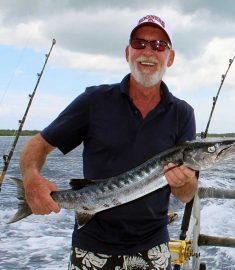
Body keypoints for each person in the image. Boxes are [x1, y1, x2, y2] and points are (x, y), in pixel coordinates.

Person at [19, 15, 197, 269]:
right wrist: (31, 178)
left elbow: (186, 195)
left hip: (152, 248)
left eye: (158, 45)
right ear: (128, 52)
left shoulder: (182, 113)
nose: (148, 51)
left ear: (170, 57)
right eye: (139, 43)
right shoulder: (94, 101)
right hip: (91, 247)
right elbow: (38, 145)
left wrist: (186, 181)